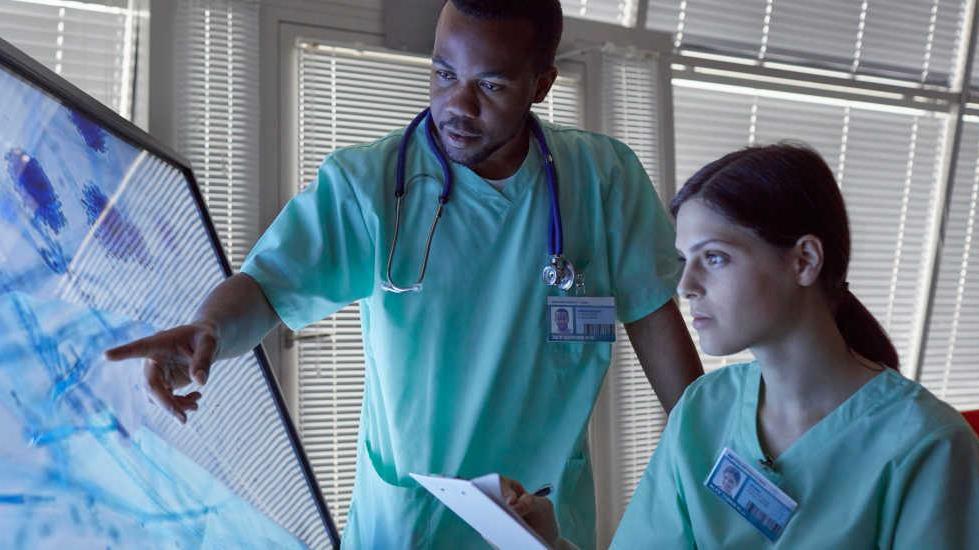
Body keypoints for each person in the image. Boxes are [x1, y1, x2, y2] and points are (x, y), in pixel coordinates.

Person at [104, 1, 703, 547]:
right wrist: (209, 326)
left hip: (541, 526)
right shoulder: (370, 185)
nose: (457, 106)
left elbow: (656, 323)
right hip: (406, 528)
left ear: (540, 84)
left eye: (489, 85)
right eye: (444, 73)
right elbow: (265, 287)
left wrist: (709, 462)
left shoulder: (603, 181)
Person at [505, 144, 979, 548]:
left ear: (804, 261)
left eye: (714, 257)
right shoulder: (703, 410)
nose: (687, 284)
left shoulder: (928, 445)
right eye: (683, 260)